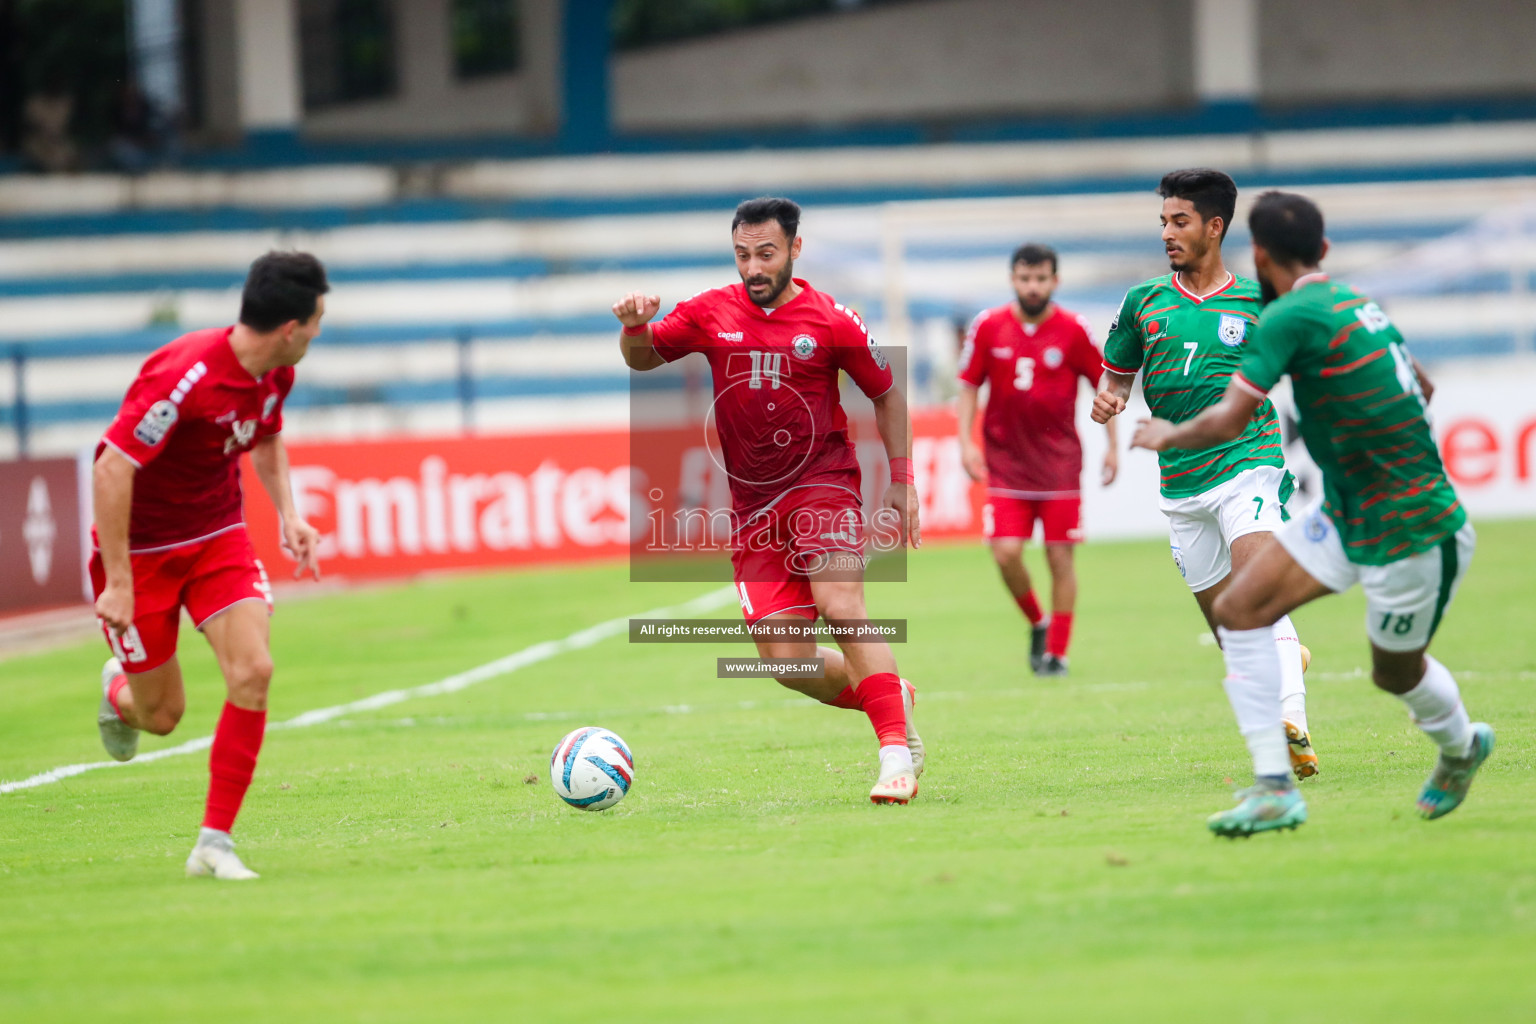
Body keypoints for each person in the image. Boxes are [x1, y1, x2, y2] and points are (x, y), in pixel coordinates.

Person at [1131, 191, 1491, 837]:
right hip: (1348, 512)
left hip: (1413, 527)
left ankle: (1462, 747)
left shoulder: (1288, 318)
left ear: (1260, 255)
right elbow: (1425, 388)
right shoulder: (1358, 302)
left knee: (1395, 672)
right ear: (1322, 250)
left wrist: (1166, 434)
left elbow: (1231, 417)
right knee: (1240, 610)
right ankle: (1273, 789)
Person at [615, 196, 924, 805]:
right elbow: (642, 358)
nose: (753, 268)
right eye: (742, 255)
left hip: (824, 486)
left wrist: (902, 478)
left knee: (841, 604)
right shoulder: (711, 311)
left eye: (765, 254)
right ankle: (891, 693)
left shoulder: (832, 319)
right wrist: (633, 328)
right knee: (787, 664)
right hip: (754, 510)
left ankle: (895, 753)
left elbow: (886, 391)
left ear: (794, 250)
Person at [92, 252, 327, 879]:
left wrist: (289, 515)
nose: (318, 331)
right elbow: (113, 466)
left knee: (254, 671)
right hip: (140, 556)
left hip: (217, 535)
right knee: (162, 717)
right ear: (289, 327)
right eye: (317, 321)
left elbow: (267, 436)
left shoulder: (275, 374)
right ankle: (119, 694)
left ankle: (213, 844)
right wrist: (117, 580)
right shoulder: (183, 376)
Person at [1092, 168, 1318, 779]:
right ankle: (1285, 662)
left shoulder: (1259, 299)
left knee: (1258, 593)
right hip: (1180, 484)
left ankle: (1291, 723)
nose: (1167, 232)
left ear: (1214, 227)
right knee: (1229, 629)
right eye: (1163, 221)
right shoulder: (1142, 302)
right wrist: (1108, 399)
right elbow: (1116, 376)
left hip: (1250, 461)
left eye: (1180, 221)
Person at [957, 243, 1118, 676]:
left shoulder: (1073, 329)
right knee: (1006, 553)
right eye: (1025, 278)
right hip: (1006, 462)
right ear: (1013, 279)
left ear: (1054, 281)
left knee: (1060, 558)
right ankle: (1038, 622)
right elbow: (969, 385)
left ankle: (1057, 655)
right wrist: (965, 443)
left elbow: (1107, 384)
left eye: (1041, 278)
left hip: (1059, 464)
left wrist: (1114, 446)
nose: (1033, 286)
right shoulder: (988, 326)